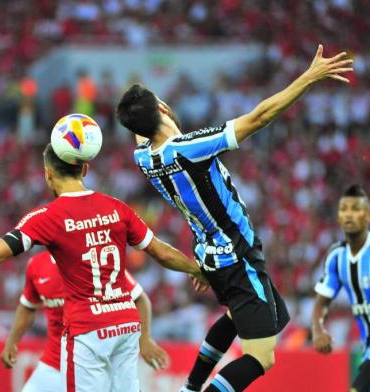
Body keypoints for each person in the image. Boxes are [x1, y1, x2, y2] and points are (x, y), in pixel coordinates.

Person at [116, 44, 353, 392]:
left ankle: (191, 387)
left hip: (210, 256)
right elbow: (259, 118)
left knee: (243, 316)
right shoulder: (188, 148)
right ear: (164, 108)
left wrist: (137, 103)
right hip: (237, 256)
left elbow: (140, 126)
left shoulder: (144, 157)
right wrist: (310, 76)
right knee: (262, 357)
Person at [0, 143, 202, 392]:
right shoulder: (117, 207)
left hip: (87, 331)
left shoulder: (47, 217)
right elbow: (161, 251)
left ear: (47, 174)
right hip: (125, 325)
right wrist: (196, 269)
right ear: (85, 169)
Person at [0, 251, 169, 392]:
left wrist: (144, 339)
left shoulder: (98, 261)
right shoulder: (37, 265)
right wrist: (11, 342)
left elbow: (139, 299)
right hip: (54, 364)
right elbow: (27, 306)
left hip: (96, 365)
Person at [312, 185, 370, 392]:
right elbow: (321, 303)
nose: (349, 214)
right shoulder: (337, 257)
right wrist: (318, 330)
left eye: (355, 208)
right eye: (344, 209)